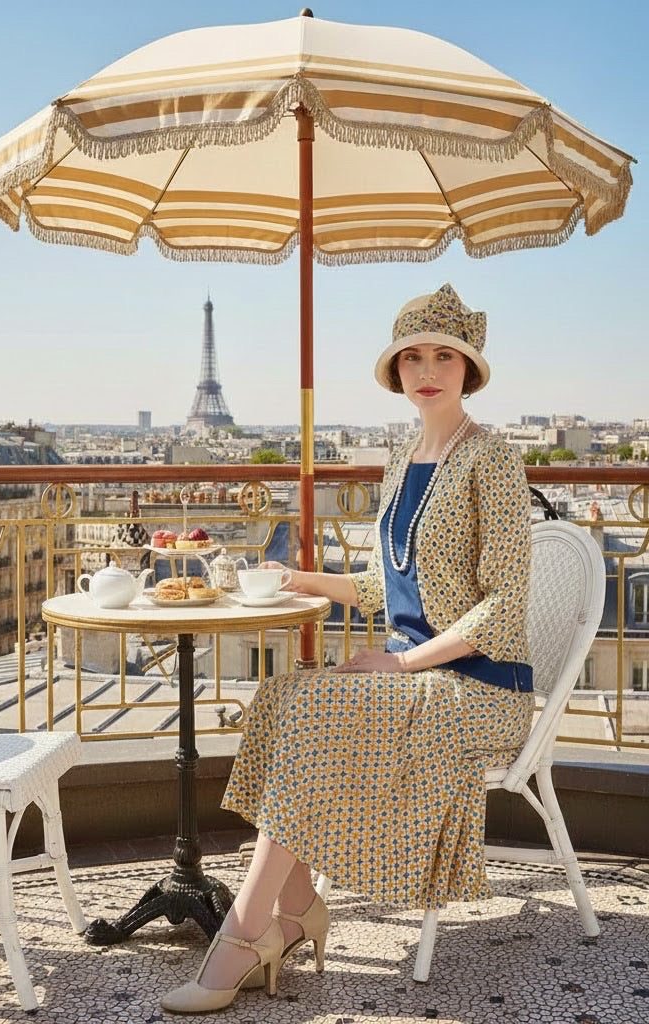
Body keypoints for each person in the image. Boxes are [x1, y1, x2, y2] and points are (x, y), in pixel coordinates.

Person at [160, 283, 535, 1014]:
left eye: (444, 356)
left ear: (469, 368)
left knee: (315, 712)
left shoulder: (493, 459)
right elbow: (387, 584)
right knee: (283, 696)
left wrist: (401, 661)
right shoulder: (402, 459)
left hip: (481, 686)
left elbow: (504, 604)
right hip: (413, 674)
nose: (427, 370)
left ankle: (245, 934)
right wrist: (296, 577)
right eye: (412, 357)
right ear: (395, 372)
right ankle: (297, 910)